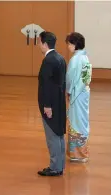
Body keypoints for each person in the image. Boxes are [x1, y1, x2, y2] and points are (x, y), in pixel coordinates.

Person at [36, 31, 67, 176]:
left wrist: (47, 106)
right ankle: (60, 165)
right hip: (59, 102)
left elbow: (47, 85)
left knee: (52, 136)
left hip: (51, 104)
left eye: (39, 42)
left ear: (44, 43)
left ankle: (54, 167)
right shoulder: (60, 58)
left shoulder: (48, 61)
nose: (38, 45)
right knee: (59, 134)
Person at [65, 32, 91, 163]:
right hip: (84, 93)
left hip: (76, 94)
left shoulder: (75, 59)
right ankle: (82, 151)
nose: (68, 47)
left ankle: (77, 154)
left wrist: (68, 91)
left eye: (69, 44)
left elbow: (69, 79)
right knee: (82, 121)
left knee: (76, 122)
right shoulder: (85, 57)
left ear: (75, 44)